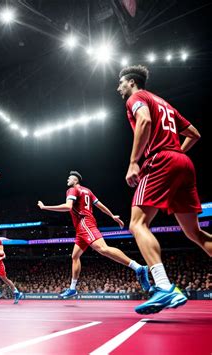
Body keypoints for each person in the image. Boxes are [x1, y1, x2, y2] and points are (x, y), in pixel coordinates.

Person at [117, 65, 211, 314]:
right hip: (183, 162)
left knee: (137, 224)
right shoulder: (165, 103)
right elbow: (194, 134)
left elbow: (145, 121)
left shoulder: (137, 98)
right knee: (196, 234)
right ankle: (165, 286)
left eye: (121, 84)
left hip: (160, 161)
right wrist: (177, 152)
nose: (119, 89)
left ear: (132, 83)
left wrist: (134, 162)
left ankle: (164, 286)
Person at [37, 171, 149, 299]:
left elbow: (68, 207)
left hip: (84, 223)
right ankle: (72, 289)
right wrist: (112, 216)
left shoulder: (72, 190)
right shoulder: (88, 191)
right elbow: (100, 206)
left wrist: (45, 207)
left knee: (103, 249)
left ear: (76, 181)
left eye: (70, 178)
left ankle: (138, 268)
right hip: (82, 227)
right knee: (75, 256)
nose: (67, 179)